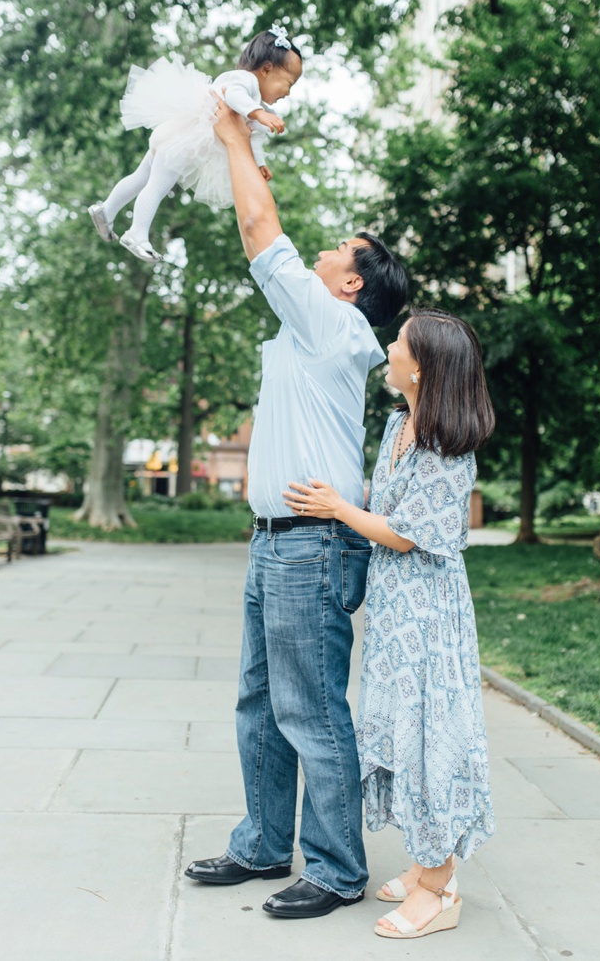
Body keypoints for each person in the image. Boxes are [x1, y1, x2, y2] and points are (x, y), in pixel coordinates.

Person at [181, 88, 409, 920]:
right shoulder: (306, 330)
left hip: (310, 544)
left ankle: (338, 867)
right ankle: (264, 842)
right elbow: (258, 223)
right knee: (257, 701)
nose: (317, 252)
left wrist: (234, 134)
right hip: (274, 541)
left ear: (352, 283)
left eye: (335, 250)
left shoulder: (338, 328)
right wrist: (240, 156)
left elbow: (259, 231)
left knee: (310, 708)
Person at [283, 308, 497, 940]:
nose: (388, 347)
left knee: (428, 736)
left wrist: (336, 507)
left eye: (399, 342)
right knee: (400, 731)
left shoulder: (445, 447)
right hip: (396, 612)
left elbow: (405, 536)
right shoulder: (400, 423)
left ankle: (440, 889)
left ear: (421, 366)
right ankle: (425, 862)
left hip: (428, 618)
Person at [89, 27, 301, 262]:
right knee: (159, 183)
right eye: (289, 83)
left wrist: (259, 162)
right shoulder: (245, 81)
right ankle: (137, 233)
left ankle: (106, 210)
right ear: (267, 69)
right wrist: (258, 113)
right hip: (185, 139)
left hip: (177, 136)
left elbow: (254, 136)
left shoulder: (255, 101)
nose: (288, 93)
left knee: (141, 176)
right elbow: (233, 95)